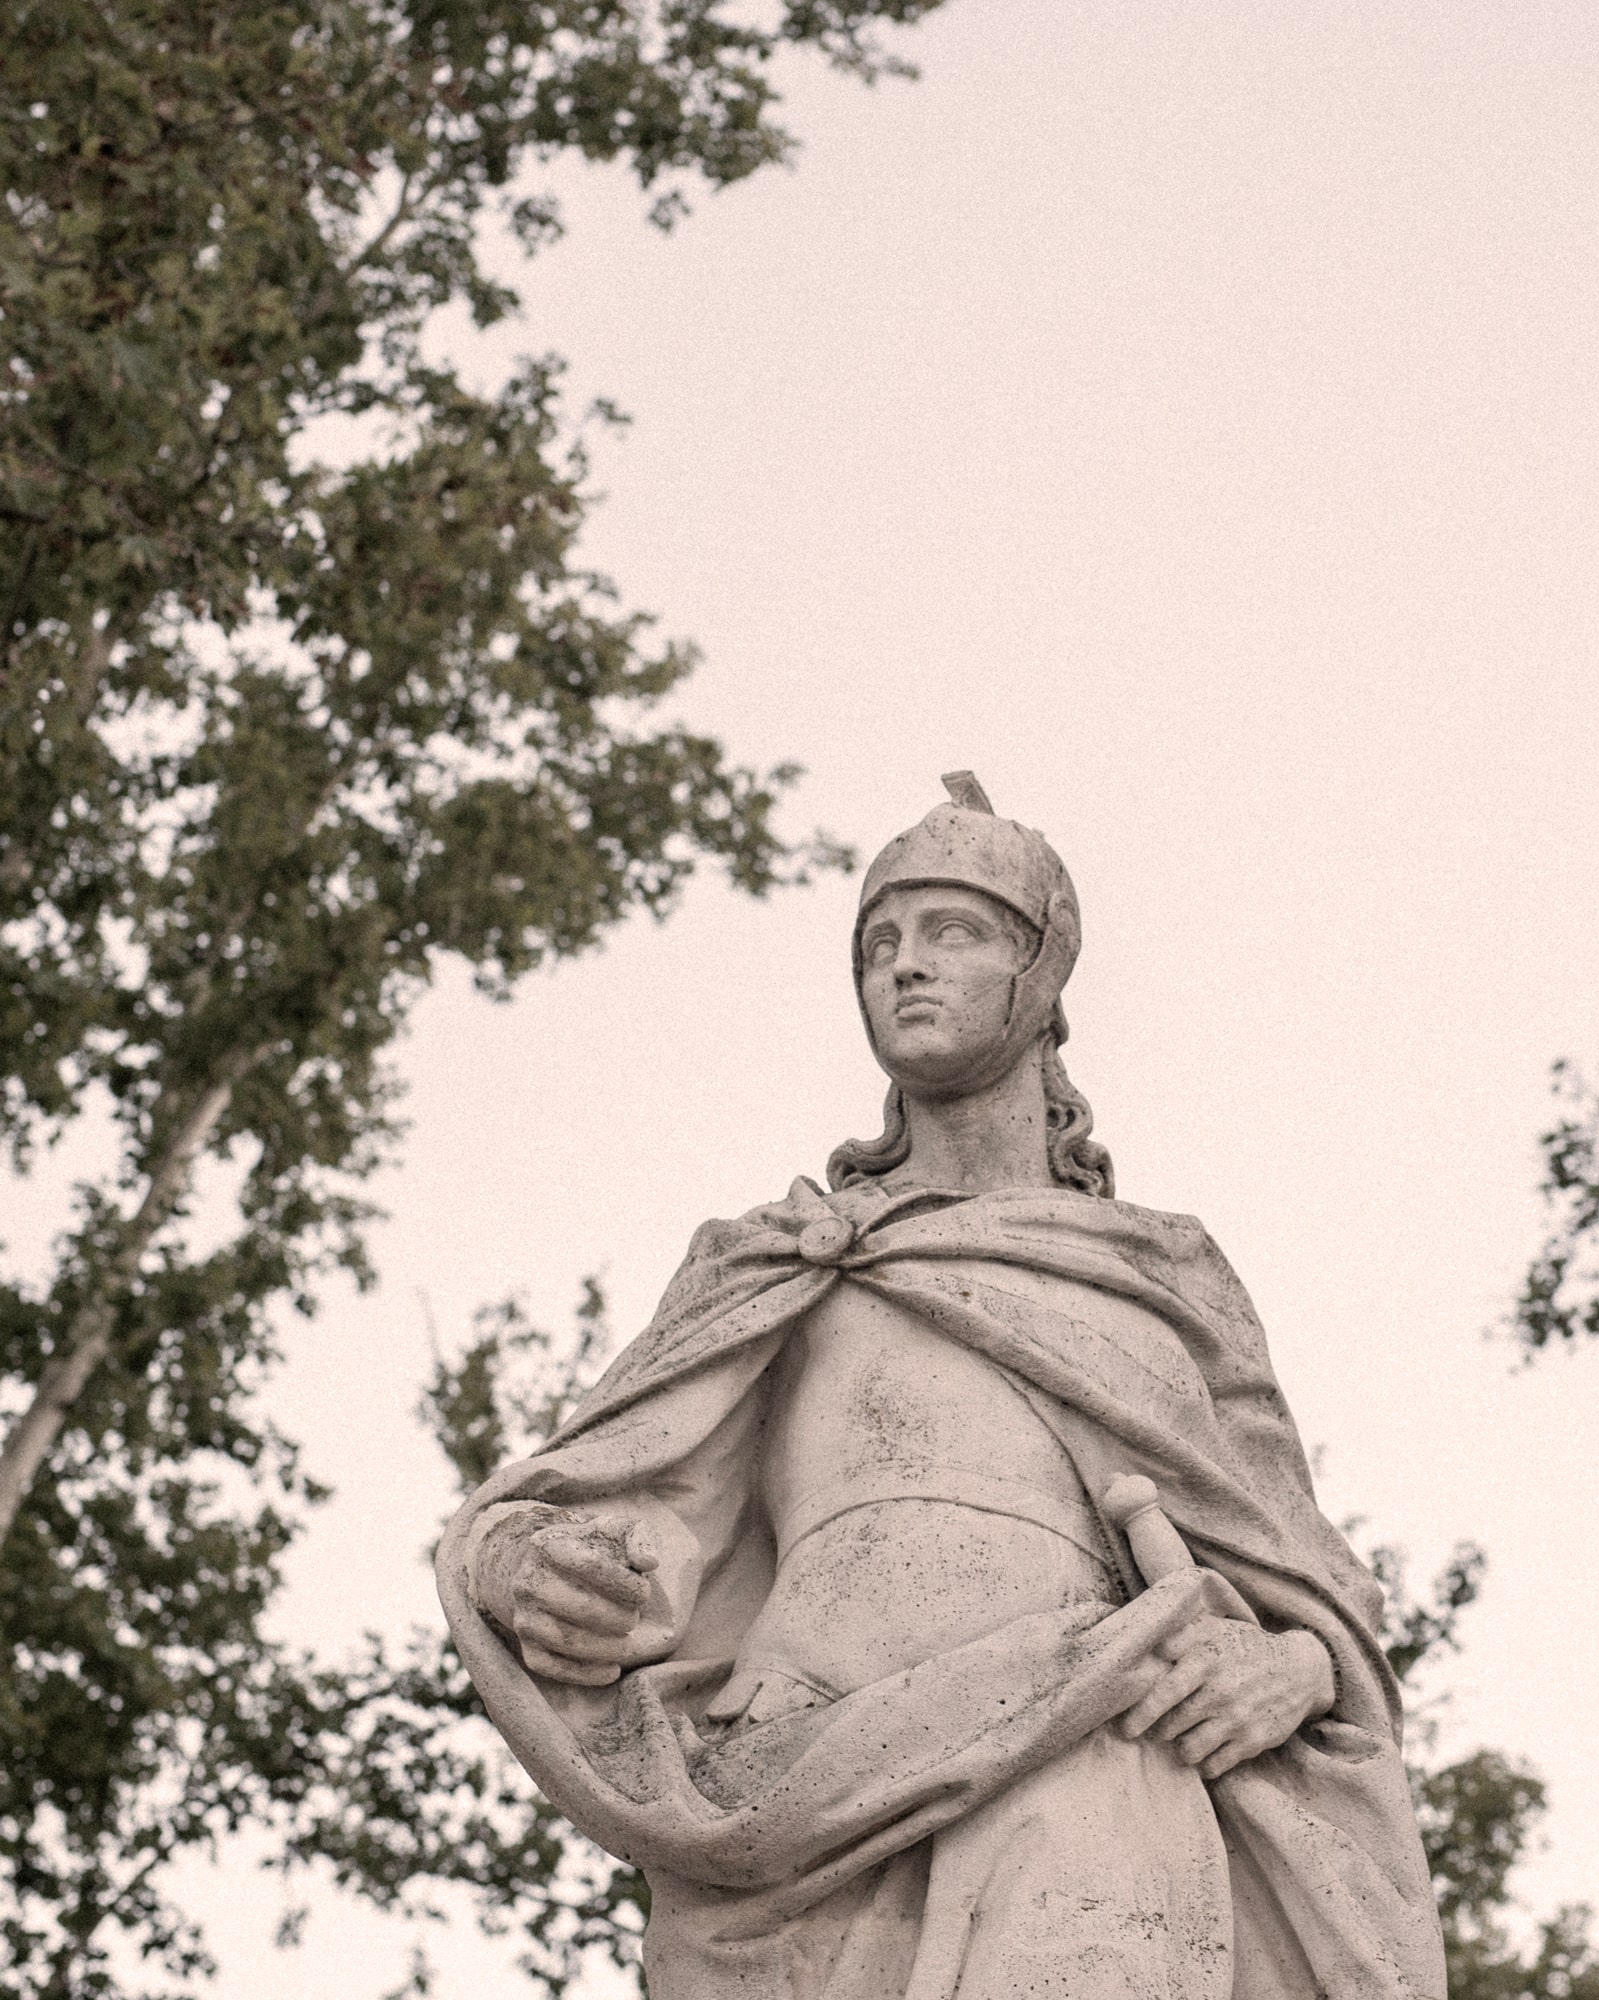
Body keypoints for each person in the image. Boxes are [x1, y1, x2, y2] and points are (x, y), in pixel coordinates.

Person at [437, 774, 1446, 1999]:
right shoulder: (778, 1259)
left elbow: (1307, 1576)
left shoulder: (1153, 1271)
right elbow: (617, 1505)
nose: (904, 967)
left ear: (1039, 981)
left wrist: (1294, 1666)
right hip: (792, 1781)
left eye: (951, 931)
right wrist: (536, 1570)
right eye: (878, 943)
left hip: (1087, 1753)